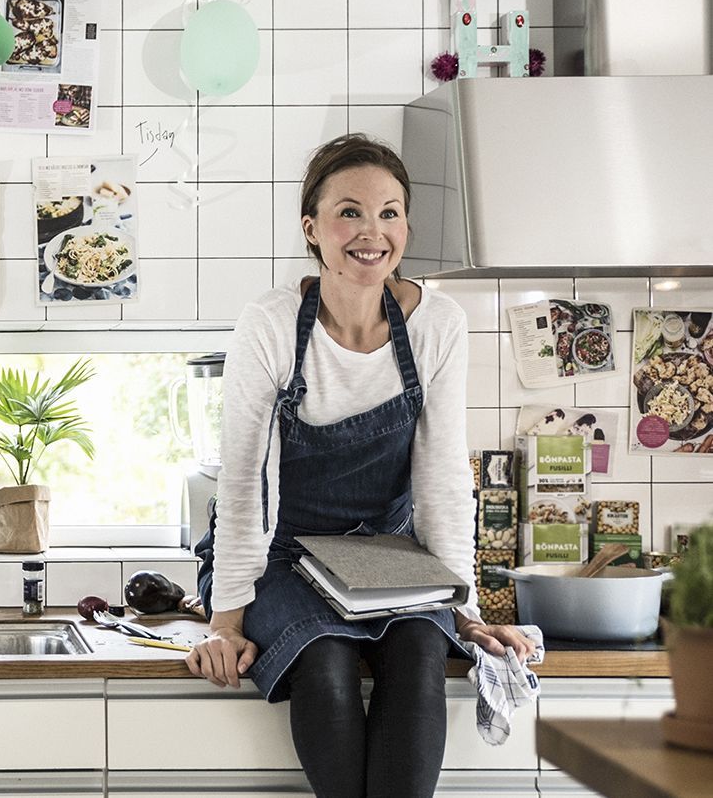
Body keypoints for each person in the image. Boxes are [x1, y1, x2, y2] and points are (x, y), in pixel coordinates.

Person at [187, 134, 535, 797]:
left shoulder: (438, 325)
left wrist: (465, 609)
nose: (372, 232)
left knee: (420, 653)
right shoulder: (271, 324)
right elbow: (246, 485)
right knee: (323, 660)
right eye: (349, 212)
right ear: (311, 228)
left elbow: (441, 481)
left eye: (389, 213)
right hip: (281, 556)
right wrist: (226, 622)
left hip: (393, 559)